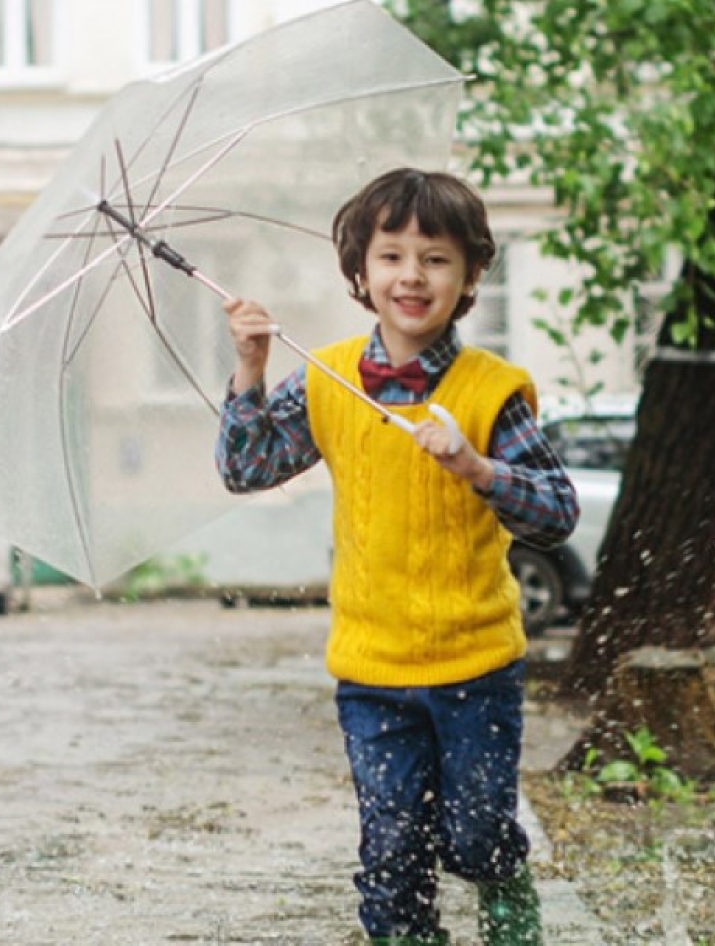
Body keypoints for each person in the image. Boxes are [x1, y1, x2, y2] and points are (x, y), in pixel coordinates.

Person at [215, 168, 579, 946]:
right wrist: (250, 370)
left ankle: (507, 890)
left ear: (471, 274)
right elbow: (246, 469)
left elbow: (557, 513)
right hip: (371, 671)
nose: (411, 276)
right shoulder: (330, 379)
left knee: (475, 838)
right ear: (360, 271)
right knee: (391, 858)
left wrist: (479, 470)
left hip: (476, 667)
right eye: (391, 257)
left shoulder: (492, 389)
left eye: (436, 258)